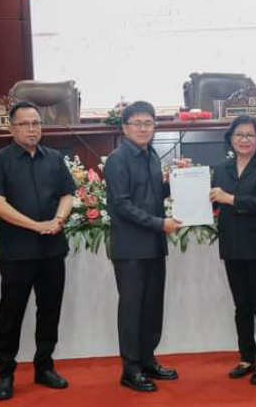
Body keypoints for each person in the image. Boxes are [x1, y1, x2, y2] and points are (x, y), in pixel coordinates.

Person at [0, 101, 76, 400]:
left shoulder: (54, 158)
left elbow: (67, 194)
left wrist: (58, 220)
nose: (32, 129)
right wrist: (36, 226)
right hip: (18, 252)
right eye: (24, 124)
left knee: (49, 311)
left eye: (36, 123)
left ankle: (44, 367)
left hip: (52, 250)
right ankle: (5, 373)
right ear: (11, 128)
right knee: (11, 315)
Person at [104, 101, 182, 392]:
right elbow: (121, 205)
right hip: (130, 248)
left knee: (152, 307)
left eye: (148, 123)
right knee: (132, 309)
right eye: (137, 123)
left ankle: (148, 360)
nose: (143, 128)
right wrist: (160, 224)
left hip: (153, 244)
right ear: (124, 128)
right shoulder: (118, 159)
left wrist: (180, 181)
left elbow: (154, 194)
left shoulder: (151, 156)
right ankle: (131, 369)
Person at [210, 116, 256, 385]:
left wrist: (231, 199)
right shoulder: (221, 169)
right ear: (230, 138)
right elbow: (212, 203)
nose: (244, 139)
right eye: (239, 134)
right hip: (232, 244)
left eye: (249, 135)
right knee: (241, 305)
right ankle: (246, 357)